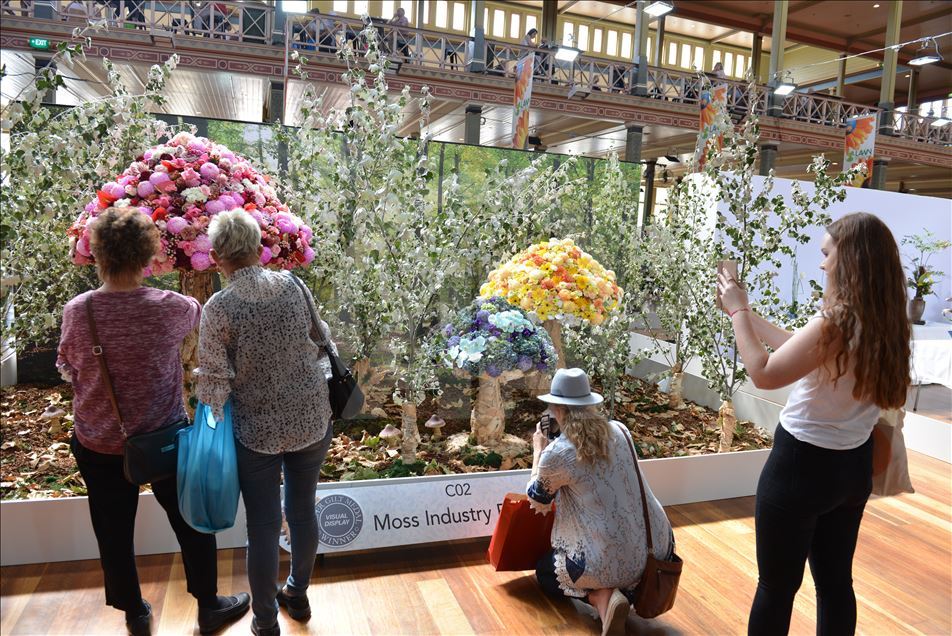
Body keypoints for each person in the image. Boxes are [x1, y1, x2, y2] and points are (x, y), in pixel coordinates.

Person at [57, 208, 250, 636]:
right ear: (149, 257)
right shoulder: (173, 307)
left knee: (112, 528)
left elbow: (67, 367)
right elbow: (200, 323)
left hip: (98, 440)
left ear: (97, 255)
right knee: (191, 519)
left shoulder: (77, 311)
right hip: (165, 438)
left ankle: (135, 613)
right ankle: (209, 605)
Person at [716, 212, 910, 635]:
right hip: (851, 470)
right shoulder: (881, 321)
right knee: (836, 584)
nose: (821, 264)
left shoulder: (836, 321)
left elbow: (765, 373)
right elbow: (802, 351)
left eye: (826, 253)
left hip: (800, 469)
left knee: (776, 587)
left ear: (850, 259)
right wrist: (743, 311)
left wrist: (736, 316)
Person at [196, 209, 336, 636]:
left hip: (255, 432)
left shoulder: (219, 308)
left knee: (262, 526)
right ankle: (297, 592)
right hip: (311, 418)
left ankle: (264, 621)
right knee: (302, 510)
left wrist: (207, 427)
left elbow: (214, 382)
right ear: (259, 249)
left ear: (218, 257)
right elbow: (323, 339)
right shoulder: (294, 285)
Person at [526, 368, 674, 636]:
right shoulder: (620, 430)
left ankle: (600, 597)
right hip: (656, 549)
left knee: (545, 571)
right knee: (618, 556)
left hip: (605, 559)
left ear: (557, 408)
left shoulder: (558, 452)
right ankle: (618, 597)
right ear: (589, 404)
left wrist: (538, 450)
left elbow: (538, 498)